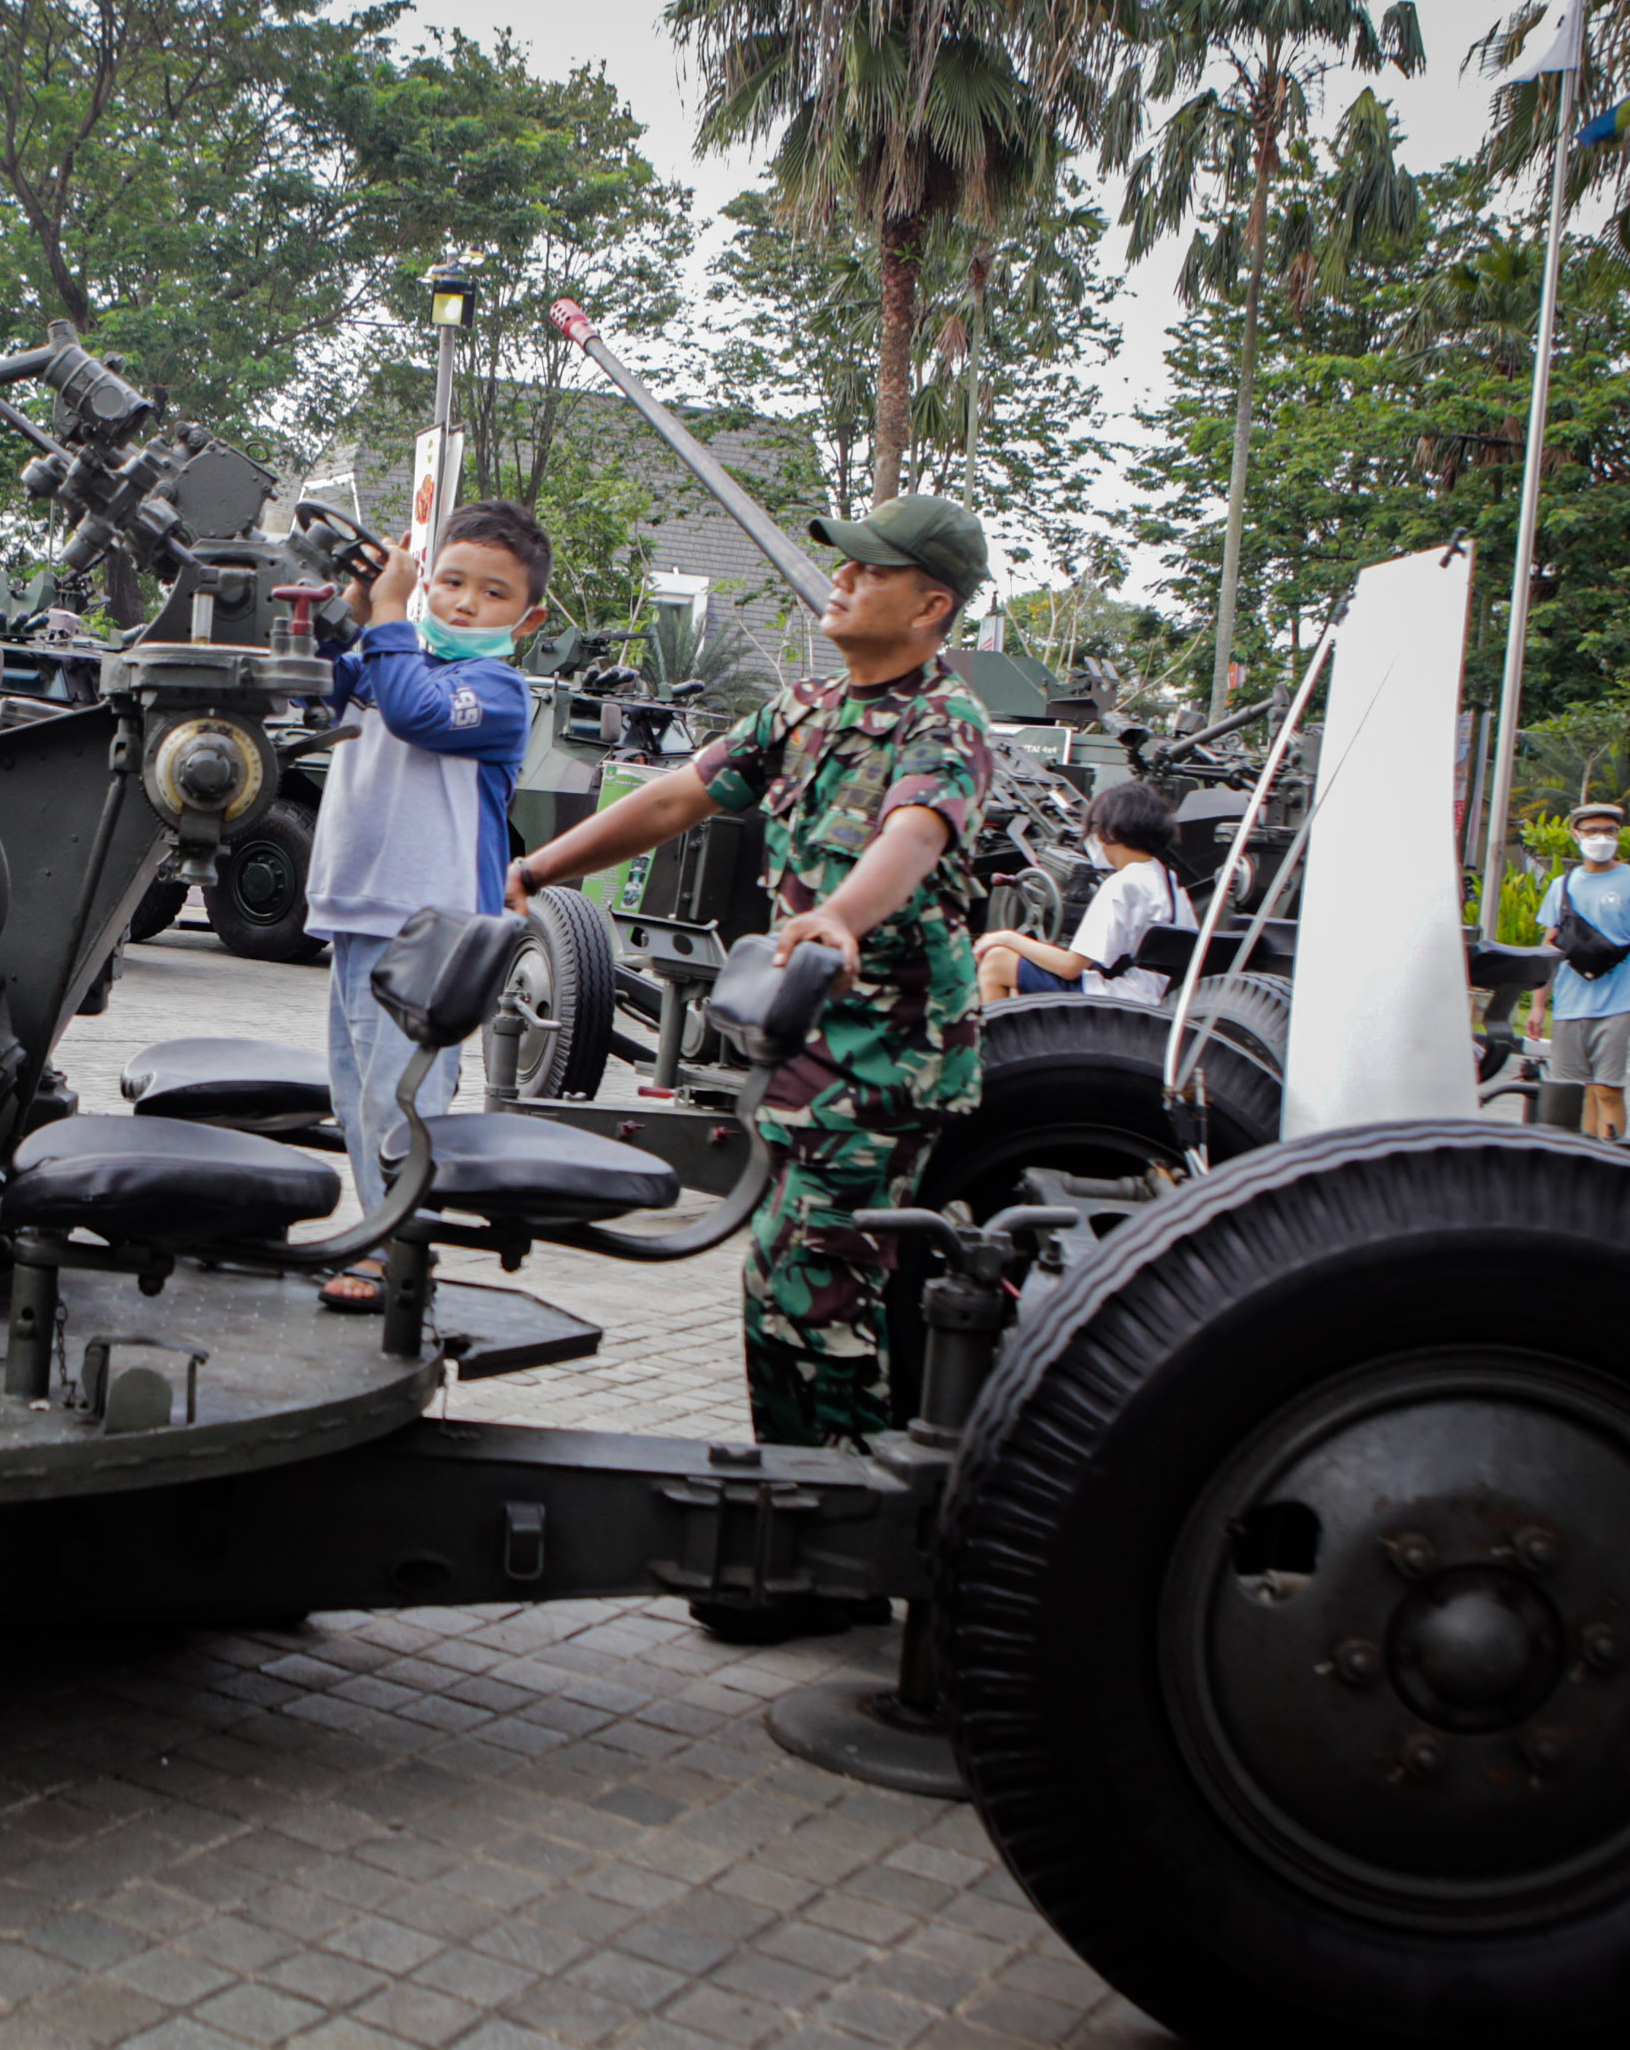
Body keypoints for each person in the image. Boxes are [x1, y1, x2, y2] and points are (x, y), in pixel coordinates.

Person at [505, 490, 993, 1517]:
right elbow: (679, 795)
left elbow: (912, 837)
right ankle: (805, 1520)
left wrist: (845, 918)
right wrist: (541, 866)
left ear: (930, 604)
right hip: (805, 1055)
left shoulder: (945, 724)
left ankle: (844, 1536)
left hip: (884, 1064)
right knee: (783, 1290)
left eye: (871, 569)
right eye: (845, 563)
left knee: (812, 1301)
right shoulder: (805, 711)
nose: (844, 579)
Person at [303, 499, 548, 1310]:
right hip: (354, 910)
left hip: (432, 930)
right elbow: (317, 682)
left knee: (400, 1102)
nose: (464, 603)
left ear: (529, 617)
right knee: (355, 1100)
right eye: (448, 581)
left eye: (492, 593)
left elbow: (413, 714)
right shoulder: (389, 652)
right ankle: (381, 1236)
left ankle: (393, 1255)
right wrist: (343, 607)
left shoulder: (498, 691)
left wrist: (391, 615)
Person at [977, 782, 1191, 1004]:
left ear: (1111, 832)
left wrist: (1007, 937)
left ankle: (993, 1038)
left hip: (1118, 999)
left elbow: (1069, 967)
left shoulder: (1122, 885)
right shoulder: (1169, 881)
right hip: (1153, 995)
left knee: (997, 962)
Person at [1537, 798, 1630, 1141]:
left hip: (1621, 1000)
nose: (1601, 837)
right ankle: (1582, 1164)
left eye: (1609, 830)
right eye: (1592, 830)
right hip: (1570, 1001)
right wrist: (1538, 1005)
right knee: (1575, 1092)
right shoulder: (1561, 886)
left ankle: (1612, 1159)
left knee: (1608, 1090)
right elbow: (1548, 947)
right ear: (1575, 835)